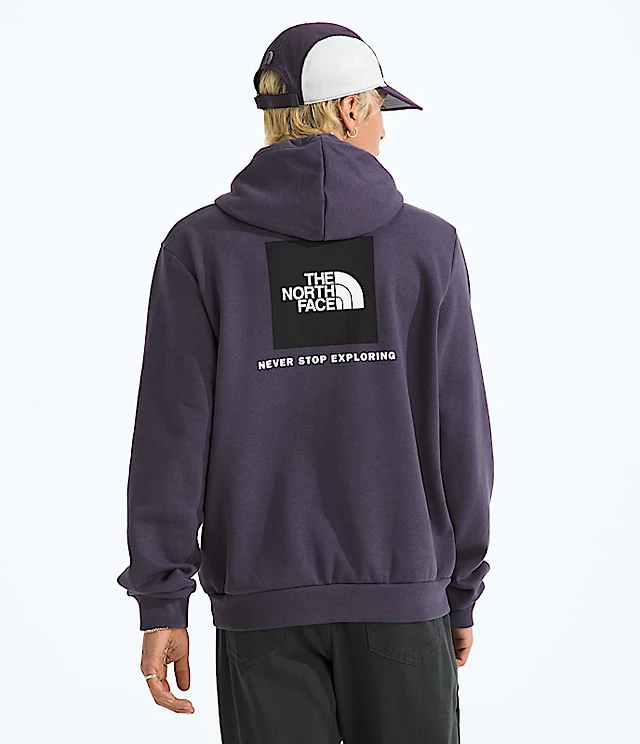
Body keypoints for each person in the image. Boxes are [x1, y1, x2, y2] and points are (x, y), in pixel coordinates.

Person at [116, 20, 494, 744]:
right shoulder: (428, 247)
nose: (383, 130)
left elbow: (171, 436)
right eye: (379, 111)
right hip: (402, 600)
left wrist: (162, 603)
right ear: (350, 109)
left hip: (261, 613)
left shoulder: (200, 249)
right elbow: (463, 435)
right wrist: (460, 588)